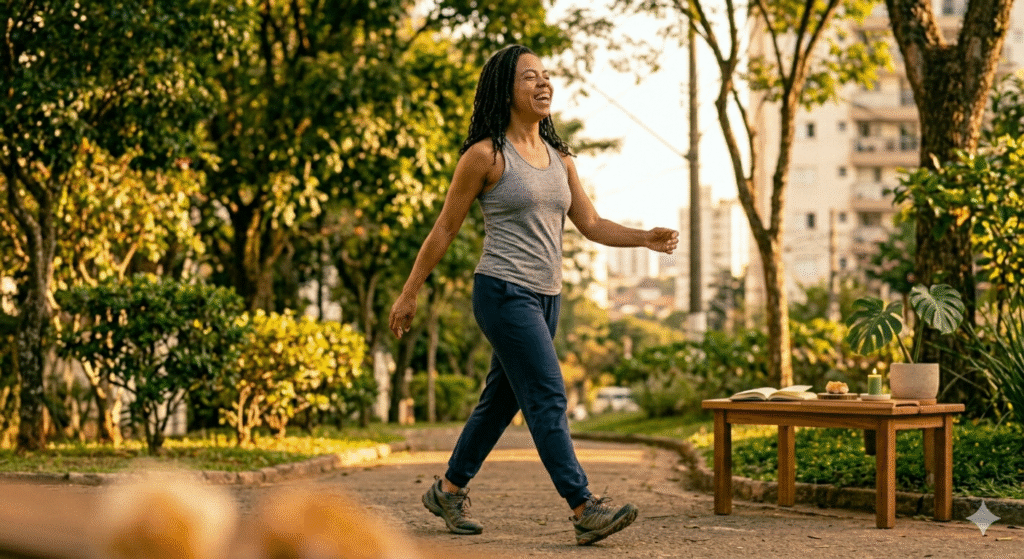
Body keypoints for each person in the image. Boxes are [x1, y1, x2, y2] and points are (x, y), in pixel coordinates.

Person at [388, 44, 679, 546]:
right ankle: (584, 505)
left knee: (500, 401)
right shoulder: (484, 156)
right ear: (506, 89)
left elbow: (590, 223)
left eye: (546, 75)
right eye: (529, 77)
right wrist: (409, 292)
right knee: (547, 395)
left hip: (548, 297)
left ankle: (448, 489)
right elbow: (444, 230)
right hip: (502, 292)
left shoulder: (560, 158)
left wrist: (644, 238)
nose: (543, 84)